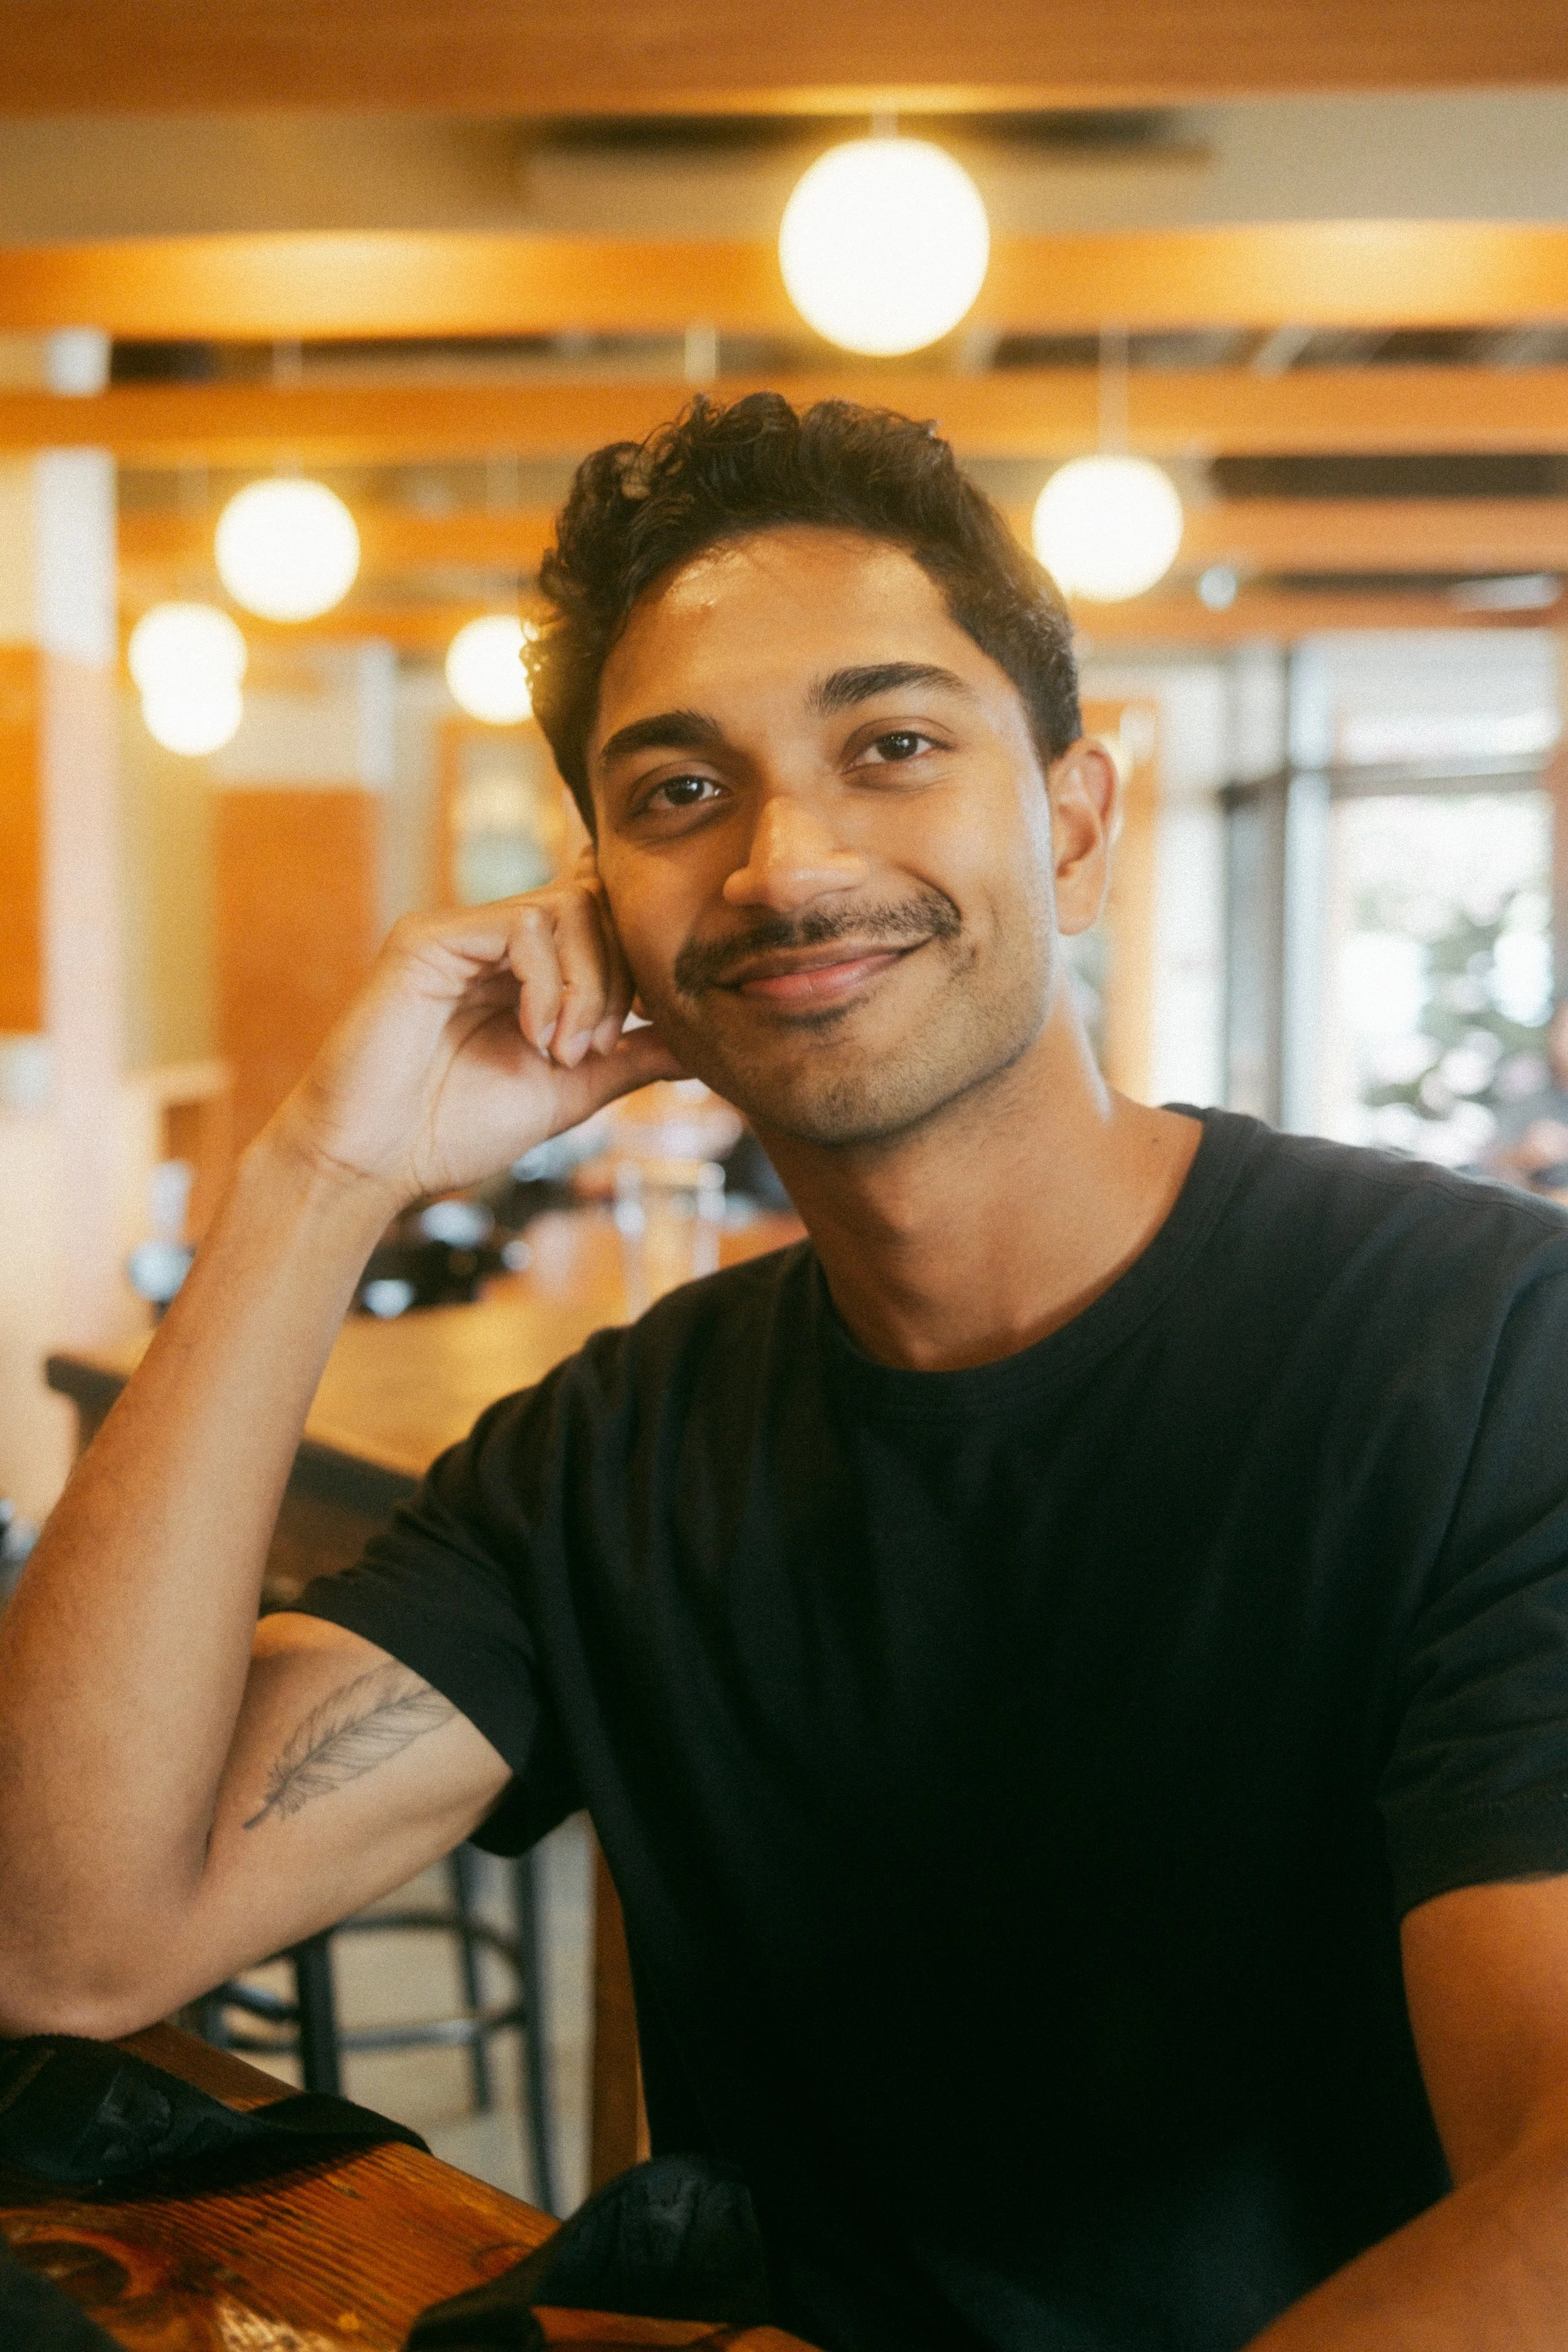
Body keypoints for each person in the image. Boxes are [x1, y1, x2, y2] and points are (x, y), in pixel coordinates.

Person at [4, 396, 1568, 2352]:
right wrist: (322, 1177)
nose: (785, 858)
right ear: (606, 921)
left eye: (891, 745)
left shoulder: (1488, 1351)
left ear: (1072, 827)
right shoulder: (621, 1455)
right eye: (676, 792)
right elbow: (65, 1932)